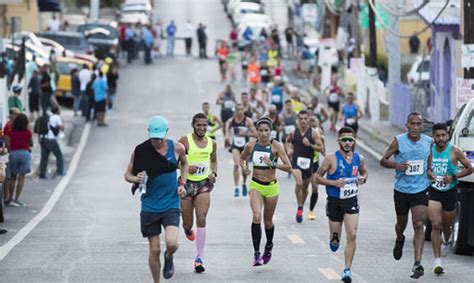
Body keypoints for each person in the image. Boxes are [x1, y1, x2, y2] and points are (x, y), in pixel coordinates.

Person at [124, 115, 187, 282]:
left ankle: (169, 256)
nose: (156, 142)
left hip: (171, 203)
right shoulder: (140, 151)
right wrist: (134, 179)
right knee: (154, 249)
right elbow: (127, 174)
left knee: (172, 243)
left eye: (159, 138)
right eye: (153, 138)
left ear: (166, 133)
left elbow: (185, 164)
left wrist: (183, 183)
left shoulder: (177, 148)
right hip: (149, 206)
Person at [380, 112, 432, 279]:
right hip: (402, 190)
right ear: (407, 125)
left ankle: (417, 263)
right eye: (412, 124)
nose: (416, 127)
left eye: (418, 124)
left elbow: (428, 162)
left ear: (422, 126)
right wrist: (396, 165)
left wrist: (429, 172)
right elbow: (383, 160)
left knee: (418, 224)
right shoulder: (398, 141)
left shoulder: (428, 142)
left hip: (421, 189)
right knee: (401, 224)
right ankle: (399, 237)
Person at [315, 127, 368, 282]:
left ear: (354, 141)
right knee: (335, 240)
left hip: (351, 200)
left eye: (350, 140)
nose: (347, 143)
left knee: (352, 234)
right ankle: (334, 238)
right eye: (344, 139)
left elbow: (364, 172)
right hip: (334, 201)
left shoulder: (360, 158)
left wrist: (363, 178)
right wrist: (333, 182)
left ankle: (347, 270)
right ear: (339, 141)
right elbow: (317, 178)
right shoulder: (330, 159)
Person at [240, 117, 292, 266]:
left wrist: (273, 163)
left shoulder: (276, 146)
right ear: (256, 131)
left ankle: (268, 246)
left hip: (271, 187)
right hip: (256, 185)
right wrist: (244, 167)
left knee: (268, 222)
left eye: (266, 130)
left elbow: (289, 166)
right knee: (256, 216)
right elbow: (242, 159)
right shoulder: (251, 145)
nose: (263, 133)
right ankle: (256, 254)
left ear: (271, 131)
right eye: (260, 130)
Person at [427, 123, 472, 274]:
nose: (440, 139)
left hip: (450, 191)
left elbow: (469, 168)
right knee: (436, 225)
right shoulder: (429, 151)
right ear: (433, 136)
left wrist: (453, 176)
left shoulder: (454, 151)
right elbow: (426, 168)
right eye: (437, 135)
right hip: (434, 190)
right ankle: (437, 261)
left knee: (446, 226)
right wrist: (429, 173)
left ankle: (447, 239)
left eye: (443, 135)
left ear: (447, 135)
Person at [178, 113, 217, 273]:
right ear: (193, 125)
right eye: (198, 125)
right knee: (188, 224)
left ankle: (199, 258)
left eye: (204, 125)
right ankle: (188, 230)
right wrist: (186, 167)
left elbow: (213, 160)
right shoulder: (184, 141)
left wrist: (214, 173)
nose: (202, 128)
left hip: (203, 185)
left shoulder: (212, 143)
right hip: (186, 184)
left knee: (201, 218)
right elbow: (172, 161)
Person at [285, 110, 324, 223]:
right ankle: (300, 206)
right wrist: (289, 149)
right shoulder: (294, 132)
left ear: (308, 119)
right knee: (299, 183)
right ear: (298, 119)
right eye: (301, 118)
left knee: (305, 188)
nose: (303, 121)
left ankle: (300, 207)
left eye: (305, 118)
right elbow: (287, 140)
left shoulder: (313, 133)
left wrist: (310, 145)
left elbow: (321, 148)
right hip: (296, 162)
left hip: (308, 164)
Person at [225, 104, 257, 197]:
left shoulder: (248, 121)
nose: (239, 111)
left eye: (241, 110)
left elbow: (255, 134)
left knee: (244, 167)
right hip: (235, 145)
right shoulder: (232, 120)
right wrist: (227, 137)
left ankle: (243, 183)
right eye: (237, 109)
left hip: (245, 146)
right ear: (235, 110)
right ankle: (236, 187)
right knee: (236, 165)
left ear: (243, 110)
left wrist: (245, 135)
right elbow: (228, 130)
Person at [3, 113, 32, 207]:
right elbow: (31, 142)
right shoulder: (27, 132)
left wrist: (10, 148)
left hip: (14, 153)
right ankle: (17, 199)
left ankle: (10, 198)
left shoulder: (11, 131)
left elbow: (6, 140)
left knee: (13, 177)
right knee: (21, 177)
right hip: (24, 153)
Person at [39, 107, 64, 179]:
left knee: (44, 157)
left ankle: (42, 174)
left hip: (42, 138)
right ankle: (60, 172)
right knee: (59, 155)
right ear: (57, 111)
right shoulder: (56, 117)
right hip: (50, 139)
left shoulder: (47, 117)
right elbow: (62, 127)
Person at [308, 116, 325, 220]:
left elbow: (323, 146)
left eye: (315, 124)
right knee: (303, 187)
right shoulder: (303, 133)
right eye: (311, 124)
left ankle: (310, 211)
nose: (313, 126)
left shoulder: (319, 134)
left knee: (315, 187)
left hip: (314, 163)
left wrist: (323, 151)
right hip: (303, 163)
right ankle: (300, 205)